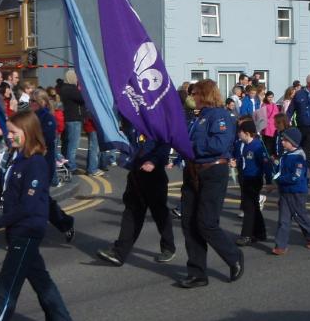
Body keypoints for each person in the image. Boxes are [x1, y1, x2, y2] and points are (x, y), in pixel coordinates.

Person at [0, 111, 72, 321]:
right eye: (7, 131)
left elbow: (28, 205)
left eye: (13, 132)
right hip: (18, 230)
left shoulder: (35, 163)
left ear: (27, 132)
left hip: (27, 230)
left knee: (6, 288)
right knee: (42, 281)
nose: (8, 136)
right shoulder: (18, 159)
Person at [180, 79, 243, 288]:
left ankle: (233, 256)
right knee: (189, 223)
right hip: (193, 172)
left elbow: (219, 144)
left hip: (213, 171)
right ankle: (197, 273)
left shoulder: (220, 115)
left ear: (205, 94)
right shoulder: (198, 118)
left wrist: (190, 145)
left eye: (195, 93)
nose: (192, 97)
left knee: (206, 222)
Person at [97, 129, 175, 266]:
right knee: (131, 214)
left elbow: (164, 146)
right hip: (136, 175)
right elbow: (131, 145)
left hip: (154, 176)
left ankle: (168, 247)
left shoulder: (158, 125)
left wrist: (153, 161)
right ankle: (119, 253)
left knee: (159, 213)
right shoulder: (134, 125)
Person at [30, 88, 75, 243]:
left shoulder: (47, 118)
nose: (30, 104)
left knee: (39, 199)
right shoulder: (31, 116)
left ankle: (64, 222)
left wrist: (30, 138)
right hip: (29, 162)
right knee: (33, 198)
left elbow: (47, 139)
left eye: (33, 101)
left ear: (41, 102)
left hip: (42, 165)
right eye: (30, 101)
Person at [271, 127, 310, 255]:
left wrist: (279, 179)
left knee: (300, 216)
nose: (282, 142)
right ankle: (280, 245)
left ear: (293, 142)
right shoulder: (285, 156)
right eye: (282, 139)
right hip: (285, 192)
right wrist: (274, 165)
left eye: (285, 140)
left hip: (297, 192)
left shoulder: (298, 158)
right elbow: (280, 170)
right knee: (283, 220)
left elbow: (295, 177)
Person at [232, 121, 272, 246]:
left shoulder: (258, 146)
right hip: (246, 178)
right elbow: (244, 161)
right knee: (253, 206)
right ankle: (260, 233)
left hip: (254, 179)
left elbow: (266, 165)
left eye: (240, 132)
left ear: (247, 133)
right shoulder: (245, 145)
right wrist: (236, 163)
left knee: (248, 208)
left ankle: (246, 235)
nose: (238, 134)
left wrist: (269, 182)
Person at [59, 70, 85, 174]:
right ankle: (71, 166)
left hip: (68, 118)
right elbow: (82, 98)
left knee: (67, 143)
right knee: (73, 145)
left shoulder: (63, 88)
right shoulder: (70, 89)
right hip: (74, 119)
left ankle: (65, 163)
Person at [261, 91, 279, 156]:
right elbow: (262, 116)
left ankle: (273, 156)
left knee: (273, 143)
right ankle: (267, 157)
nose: (270, 98)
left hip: (274, 127)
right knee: (268, 144)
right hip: (267, 127)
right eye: (269, 97)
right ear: (266, 97)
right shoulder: (264, 105)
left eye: (271, 97)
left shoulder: (274, 105)